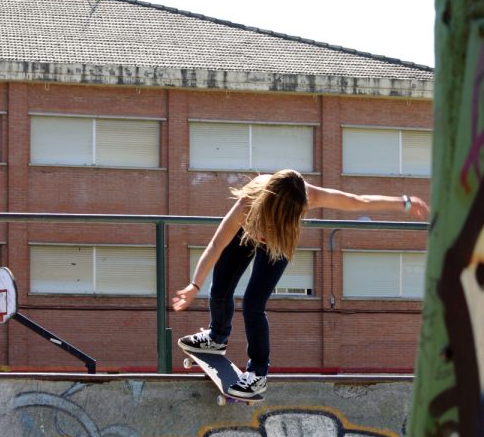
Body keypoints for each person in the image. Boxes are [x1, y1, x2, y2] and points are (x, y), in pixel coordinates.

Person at [172, 169, 429, 398]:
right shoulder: (249, 202)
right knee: (221, 284)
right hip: (248, 229)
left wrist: (404, 203)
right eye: (275, 218)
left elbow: (356, 201)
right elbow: (216, 244)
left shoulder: (307, 197)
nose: (273, 224)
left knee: (253, 304)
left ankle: (258, 373)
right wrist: (194, 285)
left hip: (279, 243)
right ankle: (217, 336)